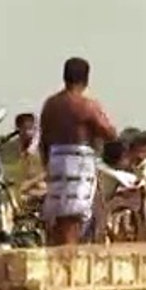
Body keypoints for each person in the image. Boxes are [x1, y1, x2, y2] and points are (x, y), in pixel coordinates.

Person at [38, 57, 118, 246]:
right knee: (72, 215)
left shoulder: (50, 104)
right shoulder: (86, 105)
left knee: (60, 214)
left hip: (55, 158)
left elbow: (44, 139)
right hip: (77, 161)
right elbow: (109, 132)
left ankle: (62, 254)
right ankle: (69, 260)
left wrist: (47, 164)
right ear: (86, 79)